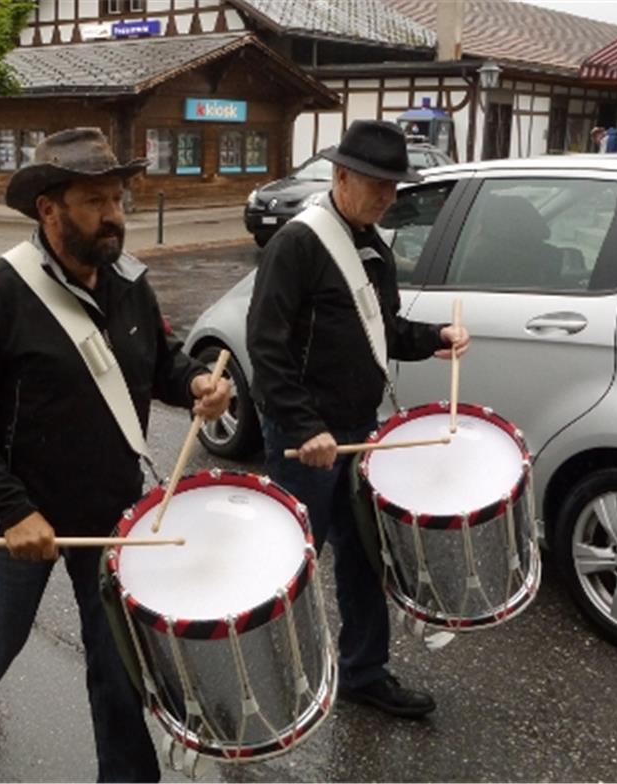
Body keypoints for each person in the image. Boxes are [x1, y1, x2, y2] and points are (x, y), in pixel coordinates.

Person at [0, 127, 231, 778]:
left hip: (111, 508)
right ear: (49, 209)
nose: (114, 215)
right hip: (17, 514)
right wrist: (12, 509)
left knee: (119, 657)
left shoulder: (129, 283)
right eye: (95, 201)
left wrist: (195, 383)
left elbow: (159, 362)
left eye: (117, 198)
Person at [246, 120, 470, 719]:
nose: (387, 197)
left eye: (394, 187)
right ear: (342, 177)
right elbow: (265, 346)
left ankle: (363, 671)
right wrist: (303, 427)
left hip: (358, 428)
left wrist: (435, 337)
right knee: (292, 564)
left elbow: (382, 330)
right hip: (306, 437)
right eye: (377, 185)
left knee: (369, 556)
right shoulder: (297, 244)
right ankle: (263, 683)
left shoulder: (373, 247)